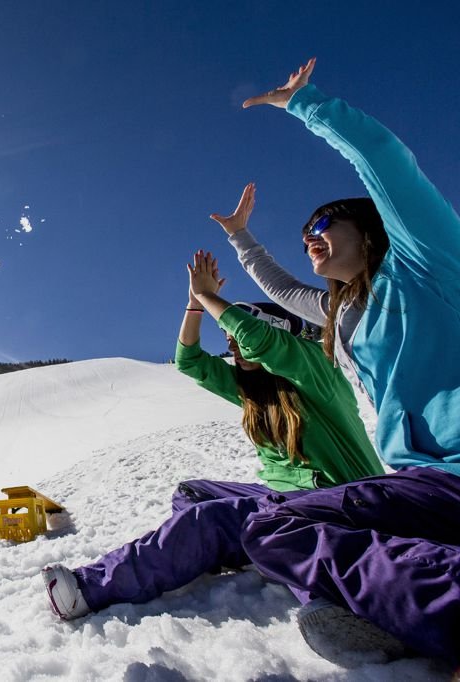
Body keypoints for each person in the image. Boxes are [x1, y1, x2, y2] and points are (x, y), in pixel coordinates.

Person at [218, 58, 460, 666]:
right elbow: (277, 286)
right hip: (423, 486)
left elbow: (385, 163)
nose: (310, 238)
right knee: (274, 527)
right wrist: (240, 238)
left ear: (371, 229)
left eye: (323, 223)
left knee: (288, 531)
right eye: (304, 235)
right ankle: (408, 603)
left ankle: (406, 603)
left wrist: (308, 104)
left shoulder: (425, 263)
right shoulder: (341, 312)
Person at [42, 251, 383, 623]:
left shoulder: (317, 371)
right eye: (227, 337)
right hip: (283, 500)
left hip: (338, 501)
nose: (231, 344)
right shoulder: (253, 390)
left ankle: (88, 589)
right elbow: (189, 361)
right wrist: (194, 306)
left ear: (278, 330)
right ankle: (260, 550)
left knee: (210, 519)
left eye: (235, 335)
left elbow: (257, 339)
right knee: (192, 494)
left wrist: (209, 296)